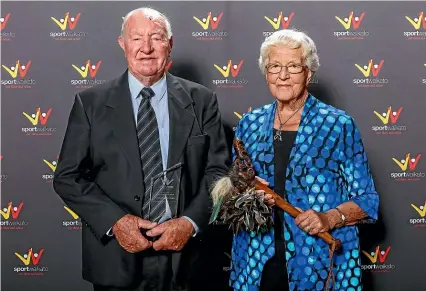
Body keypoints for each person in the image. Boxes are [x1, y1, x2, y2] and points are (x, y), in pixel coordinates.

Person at [53, 7, 230, 291]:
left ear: (170, 45)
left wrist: (189, 223)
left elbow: (218, 172)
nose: (146, 48)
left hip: (185, 259)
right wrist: (116, 222)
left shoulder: (202, 100)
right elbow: (67, 177)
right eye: (136, 38)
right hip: (116, 258)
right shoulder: (90, 104)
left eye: (156, 38)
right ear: (122, 44)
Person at [229, 28, 379, 291]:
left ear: (309, 73)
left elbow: (367, 200)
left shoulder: (338, 125)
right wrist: (247, 194)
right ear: (266, 73)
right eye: (274, 66)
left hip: (317, 261)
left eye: (293, 67)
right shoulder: (249, 124)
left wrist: (329, 217)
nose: (283, 76)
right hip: (257, 262)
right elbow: (232, 191)